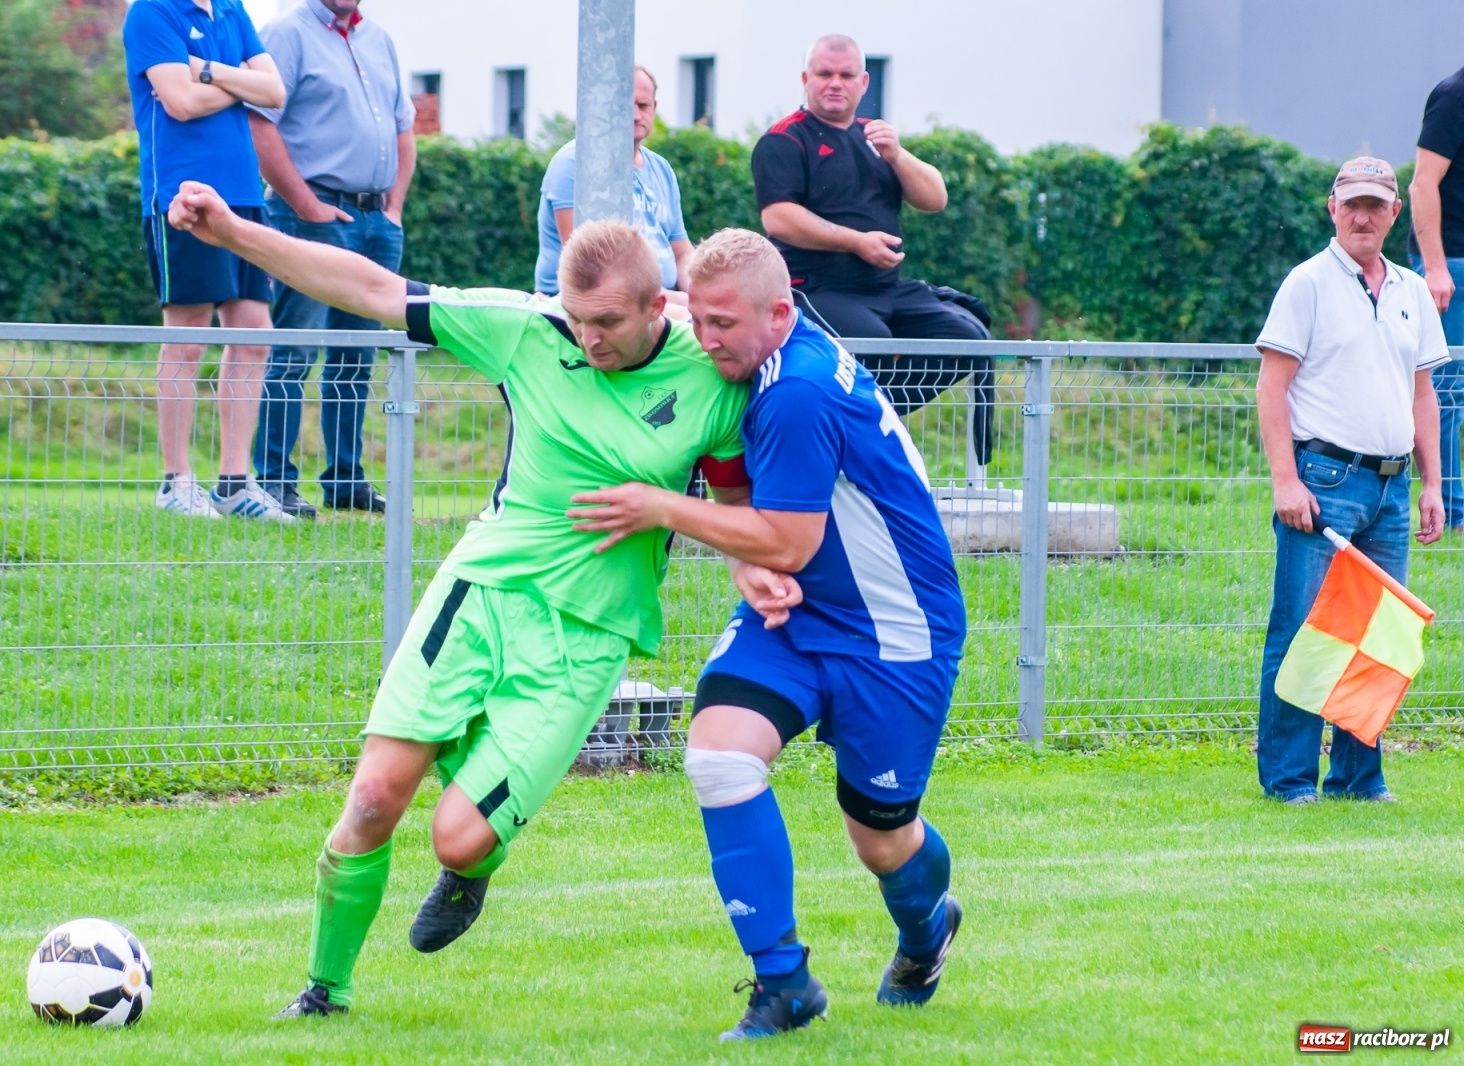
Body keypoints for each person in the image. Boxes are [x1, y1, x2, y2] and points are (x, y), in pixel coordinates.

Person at [165, 180, 751, 1018]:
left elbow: (738, 503)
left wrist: (717, 546)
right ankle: (324, 994)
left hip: (588, 638)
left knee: (458, 836)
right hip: (481, 595)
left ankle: (471, 868)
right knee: (373, 798)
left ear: (660, 305)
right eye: (576, 318)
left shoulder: (713, 375)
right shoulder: (529, 331)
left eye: (607, 323)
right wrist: (230, 232)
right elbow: (371, 287)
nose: (587, 339)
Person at [569, 229, 966, 1040]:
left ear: (780, 314)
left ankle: (927, 932)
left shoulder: (797, 392)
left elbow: (787, 540)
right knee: (720, 760)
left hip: (894, 632)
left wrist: (660, 506)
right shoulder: (769, 349)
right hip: (794, 614)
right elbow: (772, 532)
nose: (705, 338)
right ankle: (783, 984)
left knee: (882, 840)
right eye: (698, 318)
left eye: (722, 324)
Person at [1255, 157, 1447, 805]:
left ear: (1395, 214)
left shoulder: (1412, 290)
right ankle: (1289, 781)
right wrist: (1286, 480)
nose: (1363, 217)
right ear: (1332, 209)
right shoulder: (1307, 283)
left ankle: (1359, 779)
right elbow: (1272, 388)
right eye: (1352, 205)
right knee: (1302, 629)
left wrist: (1432, 484)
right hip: (1323, 481)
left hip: (1393, 489)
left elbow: (1423, 395)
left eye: (1375, 206)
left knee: (1374, 636)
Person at [752, 33, 993, 461]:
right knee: (873, 343)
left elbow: (935, 198)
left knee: (968, 336)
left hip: (886, 288)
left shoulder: (876, 138)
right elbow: (778, 218)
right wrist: (856, 242)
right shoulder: (784, 139)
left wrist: (898, 156)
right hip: (815, 287)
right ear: (806, 79)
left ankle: (865, 420)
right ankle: (857, 435)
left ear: (864, 83)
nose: (835, 83)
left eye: (846, 75)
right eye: (825, 74)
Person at [123, 0, 292, 521]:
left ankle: (235, 485)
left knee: (254, 334)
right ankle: (176, 482)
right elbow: (180, 104)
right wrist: (240, 81)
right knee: (189, 338)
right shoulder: (151, 13)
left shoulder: (231, 10)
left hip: (244, 196)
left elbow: (276, 93)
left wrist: (206, 71)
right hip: (183, 194)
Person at [247, 0, 416, 519]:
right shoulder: (287, 34)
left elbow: (402, 129)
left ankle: (345, 481)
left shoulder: (379, 40)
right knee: (295, 350)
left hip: (375, 222)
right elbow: (259, 124)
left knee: (356, 357)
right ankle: (274, 481)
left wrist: (393, 209)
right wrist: (306, 206)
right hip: (312, 214)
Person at [534, 66, 691, 296]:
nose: (636, 115)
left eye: (643, 105)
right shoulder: (575, 162)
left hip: (660, 302)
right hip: (589, 303)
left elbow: (682, 253)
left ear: (654, 108)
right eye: (625, 106)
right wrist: (680, 304)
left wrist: (698, 293)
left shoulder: (662, 169)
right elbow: (589, 265)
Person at [1408, 65, 1464, 533]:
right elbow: (1422, 184)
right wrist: (1435, 267)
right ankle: (1453, 511)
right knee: (1444, 392)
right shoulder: (1453, 96)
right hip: (1452, 268)